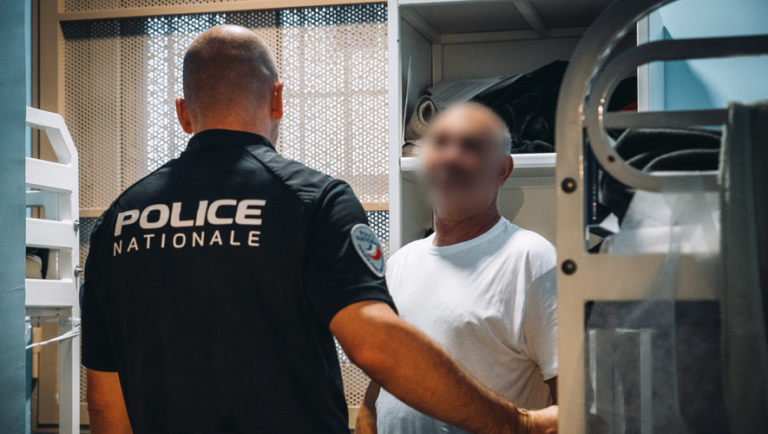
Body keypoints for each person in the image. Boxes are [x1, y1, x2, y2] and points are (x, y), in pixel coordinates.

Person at [81, 25, 557, 434]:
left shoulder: (115, 223)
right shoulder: (312, 201)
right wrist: (515, 423)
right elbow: (375, 345)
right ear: (277, 98)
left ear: (183, 113)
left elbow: (105, 403)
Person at [356, 103, 559, 434]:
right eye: (440, 145)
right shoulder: (399, 264)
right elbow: (375, 397)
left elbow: (574, 405)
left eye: (471, 147)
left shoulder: (531, 259)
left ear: (502, 171)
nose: (450, 158)